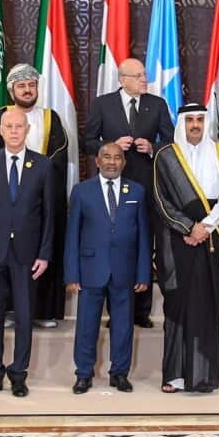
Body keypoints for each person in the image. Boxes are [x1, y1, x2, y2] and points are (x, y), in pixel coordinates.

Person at [0, 107, 57, 398]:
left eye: (20, 126)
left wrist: (44, 254)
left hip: (27, 254)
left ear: (27, 130)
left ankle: (19, 373)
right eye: (10, 126)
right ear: (1, 131)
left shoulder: (42, 165)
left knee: (24, 314)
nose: (15, 131)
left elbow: (48, 215)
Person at [82, 57, 174, 328]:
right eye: (139, 76)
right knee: (117, 246)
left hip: (146, 187)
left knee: (144, 244)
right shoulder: (103, 104)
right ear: (122, 80)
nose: (145, 80)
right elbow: (88, 141)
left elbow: (171, 142)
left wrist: (153, 147)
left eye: (145, 75)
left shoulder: (156, 104)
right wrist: (109, 144)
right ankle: (116, 312)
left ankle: (141, 312)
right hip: (111, 187)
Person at [152, 104, 219, 393]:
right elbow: (161, 200)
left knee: (206, 306)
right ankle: (174, 376)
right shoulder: (166, 155)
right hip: (176, 241)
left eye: (200, 119)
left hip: (208, 239)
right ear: (182, 124)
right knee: (177, 305)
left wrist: (205, 227)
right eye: (190, 120)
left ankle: (202, 377)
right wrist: (188, 227)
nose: (195, 125)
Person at [0, 63, 71, 328]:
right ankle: (9, 310)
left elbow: (59, 156)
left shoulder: (50, 117)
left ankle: (44, 311)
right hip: (7, 200)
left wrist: (34, 177)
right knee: (8, 253)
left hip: (42, 199)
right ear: (12, 90)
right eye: (21, 86)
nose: (27, 90)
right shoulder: (0, 116)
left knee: (42, 250)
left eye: (31, 85)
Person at [65, 143, 152, 395]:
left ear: (123, 162)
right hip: (91, 269)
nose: (112, 162)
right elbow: (72, 236)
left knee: (123, 325)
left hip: (125, 270)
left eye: (117, 158)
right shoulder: (82, 191)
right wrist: (72, 274)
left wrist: (143, 272)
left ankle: (119, 373)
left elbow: (144, 236)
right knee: (86, 325)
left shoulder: (137, 191)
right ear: (97, 162)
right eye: (107, 157)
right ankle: (83, 374)